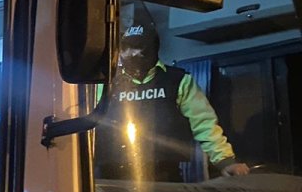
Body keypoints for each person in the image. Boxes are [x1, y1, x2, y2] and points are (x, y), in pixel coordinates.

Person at [96, 17, 251, 181]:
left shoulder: (177, 80)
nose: (132, 53)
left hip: (163, 173)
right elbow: (89, 122)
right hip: (111, 173)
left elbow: (204, 123)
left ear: (153, 49)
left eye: (139, 47)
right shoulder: (106, 83)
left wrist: (225, 161)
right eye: (126, 47)